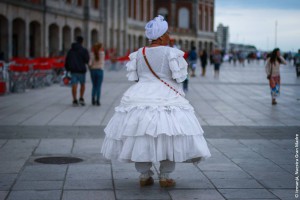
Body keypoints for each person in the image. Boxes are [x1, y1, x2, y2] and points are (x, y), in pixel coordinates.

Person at [101, 15, 211, 188]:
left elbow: (135, 77)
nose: (169, 35)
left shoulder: (139, 53)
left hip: (140, 94)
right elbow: (180, 76)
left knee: (140, 135)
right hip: (166, 95)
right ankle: (165, 176)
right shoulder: (171, 53)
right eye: (167, 33)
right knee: (169, 134)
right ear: (160, 36)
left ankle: (144, 175)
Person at [65, 36, 89, 106]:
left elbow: (67, 60)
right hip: (82, 70)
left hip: (73, 70)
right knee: (82, 84)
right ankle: (81, 98)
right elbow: (86, 60)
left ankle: (74, 99)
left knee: (74, 85)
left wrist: (67, 68)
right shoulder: (84, 50)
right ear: (82, 41)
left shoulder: (71, 50)